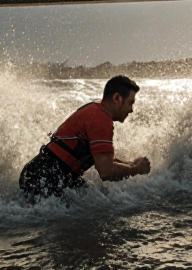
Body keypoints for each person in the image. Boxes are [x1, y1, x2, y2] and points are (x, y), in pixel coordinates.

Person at [19, 75, 151, 199]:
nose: (131, 109)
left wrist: (131, 164)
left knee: (96, 198)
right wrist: (136, 169)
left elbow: (103, 158)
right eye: (130, 103)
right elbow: (106, 171)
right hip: (44, 176)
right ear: (117, 98)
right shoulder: (101, 118)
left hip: (45, 173)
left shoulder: (97, 110)